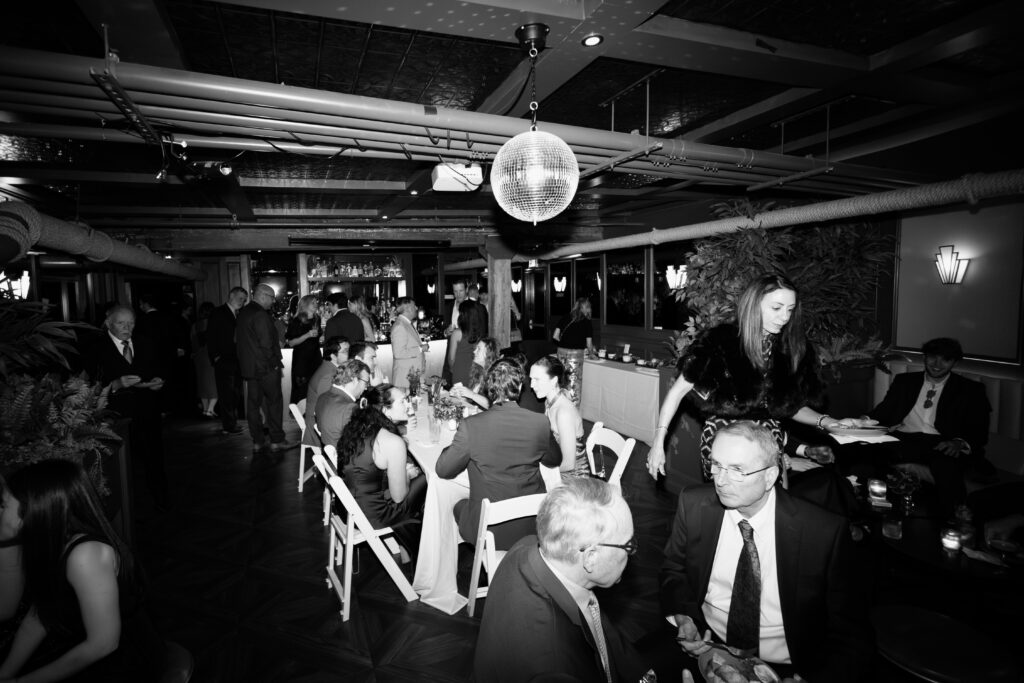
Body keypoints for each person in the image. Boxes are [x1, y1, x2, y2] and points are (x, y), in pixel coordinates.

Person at [661, 422, 873, 682]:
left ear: (770, 476)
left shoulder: (823, 532)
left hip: (790, 666)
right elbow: (674, 570)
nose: (720, 480)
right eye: (716, 465)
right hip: (708, 644)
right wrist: (685, 617)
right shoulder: (693, 504)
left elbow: (851, 634)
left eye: (737, 470)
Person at [646, 274, 860, 481]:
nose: (785, 317)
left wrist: (830, 422)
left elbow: (789, 406)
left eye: (790, 309)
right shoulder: (720, 341)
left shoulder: (789, 350)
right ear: (754, 305)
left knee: (775, 504)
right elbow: (678, 391)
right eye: (776, 308)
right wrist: (658, 442)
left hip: (770, 443)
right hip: (726, 442)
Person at [0, 460, 163, 682]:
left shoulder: (85, 556)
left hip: (126, 661)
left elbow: (103, 644)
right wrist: (6, 673)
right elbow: (40, 615)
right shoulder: (49, 543)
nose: (0, 510)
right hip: (81, 644)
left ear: (31, 511)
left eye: (3, 505)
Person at [474, 478, 648, 683]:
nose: (632, 553)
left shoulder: (525, 548)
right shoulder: (555, 668)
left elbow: (599, 628)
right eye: (628, 546)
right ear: (590, 558)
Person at [851, 337, 991, 514]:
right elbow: (884, 411)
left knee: (946, 466)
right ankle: (864, 508)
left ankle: (953, 517)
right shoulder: (905, 381)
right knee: (862, 450)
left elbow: (979, 429)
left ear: (954, 363)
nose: (937, 364)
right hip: (905, 438)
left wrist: (959, 443)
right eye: (932, 357)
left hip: (942, 442)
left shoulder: (970, 389)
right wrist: (862, 421)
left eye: (945, 359)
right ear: (924, 357)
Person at [436, 358, 560, 549]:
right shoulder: (540, 422)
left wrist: (453, 446)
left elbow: (443, 470)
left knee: (455, 503)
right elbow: (554, 459)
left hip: (489, 531)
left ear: (489, 388)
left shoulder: (471, 426)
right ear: (520, 387)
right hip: (532, 524)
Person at [83, 304, 169, 507]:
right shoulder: (95, 348)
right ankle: (126, 507)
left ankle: (161, 500)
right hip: (116, 418)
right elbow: (88, 386)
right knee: (122, 465)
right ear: (108, 323)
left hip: (148, 412)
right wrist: (115, 384)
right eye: (121, 323)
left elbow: (160, 368)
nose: (127, 328)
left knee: (154, 459)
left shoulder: (145, 342)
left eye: (131, 323)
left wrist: (158, 381)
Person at [339, 384, 427, 550]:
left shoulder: (358, 426)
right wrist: (407, 476)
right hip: (373, 516)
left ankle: (409, 544)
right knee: (428, 478)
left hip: (348, 508)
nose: (409, 406)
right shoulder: (392, 441)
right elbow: (399, 497)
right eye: (403, 402)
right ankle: (422, 548)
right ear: (385, 411)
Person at [236, 283, 295, 454]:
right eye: (271, 298)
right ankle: (277, 440)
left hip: (250, 369)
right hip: (266, 368)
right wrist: (274, 363)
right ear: (262, 296)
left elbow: (238, 341)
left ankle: (258, 441)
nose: (273, 301)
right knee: (274, 403)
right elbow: (267, 343)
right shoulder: (260, 314)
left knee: (253, 405)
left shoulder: (243, 313)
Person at [529, 355, 591, 478]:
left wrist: (537, 471)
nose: (531, 385)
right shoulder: (549, 401)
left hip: (574, 478)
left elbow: (569, 464)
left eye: (537, 379)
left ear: (553, 381)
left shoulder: (563, 413)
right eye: (531, 379)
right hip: (557, 465)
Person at [207, 286, 247, 435]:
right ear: (231, 296)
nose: (242, 301)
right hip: (224, 360)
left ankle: (232, 422)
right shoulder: (218, 312)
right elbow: (211, 335)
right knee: (226, 394)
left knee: (235, 393)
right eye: (240, 298)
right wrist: (216, 357)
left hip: (237, 360)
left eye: (244, 299)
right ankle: (229, 425)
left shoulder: (240, 314)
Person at [314, 359, 370, 452]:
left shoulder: (322, 397)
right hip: (346, 455)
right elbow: (361, 442)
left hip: (330, 453)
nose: (366, 388)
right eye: (366, 383)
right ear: (354, 380)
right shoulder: (349, 408)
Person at [303, 336, 349, 448]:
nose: (349, 354)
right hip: (319, 427)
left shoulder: (330, 368)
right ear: (333, 356)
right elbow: (327, 408)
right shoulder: (328, 375)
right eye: (345, 351)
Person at [552, 297, 596, 406]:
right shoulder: (586, 322)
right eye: (589, 307)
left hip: (561, 352)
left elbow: (555, 336)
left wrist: (565, 343)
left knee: (562, 381)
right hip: (575, 355)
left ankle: (559, 407)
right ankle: (573, 410)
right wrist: (591, 354)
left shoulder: (566, 317)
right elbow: (589, 344)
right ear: (586, 308)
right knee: (574, 384)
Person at [284, 294, 322, 406]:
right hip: (302, 360)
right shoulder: (296, 321)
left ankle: (312, 412)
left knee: (315, 388)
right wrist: (307, 335)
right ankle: (299, 413)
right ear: (305, 304)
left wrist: (321, 337)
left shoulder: (317, 319)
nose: (316, 304)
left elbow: (316, 337)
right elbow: (291, 342)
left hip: (315, 358)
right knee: (301, 391)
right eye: (313, 302)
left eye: (316, 302)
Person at [450, 337, 499, 410]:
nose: (474, 351)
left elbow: (494, 406)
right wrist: (459, 394)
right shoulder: (478, 371)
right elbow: (471, 401)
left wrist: (471, 394)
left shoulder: (495, 375)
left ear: (488, 353)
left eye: (478, 349)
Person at [448, 299, 487, 387]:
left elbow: (451, 359)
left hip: (459, 371)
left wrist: (452, 369)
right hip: (474, 372)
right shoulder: (479, 334)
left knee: (459, 395)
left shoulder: (457, 333)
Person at [390, 297, 426, 390]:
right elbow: (399, 353)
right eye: (414, 306)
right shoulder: (400, 326)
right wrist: (420, 349)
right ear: (408, 308)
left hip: (411, 378)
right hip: (404, 380)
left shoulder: (406, 323)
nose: (416, 308)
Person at [191, 301, 219, 418]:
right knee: (213, 383)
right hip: (210, 355)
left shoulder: (195, 325)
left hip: (198, 356)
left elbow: (193, 342)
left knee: (202, 384)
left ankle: (206, 409)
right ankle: (210, 409)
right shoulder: (214, 323)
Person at [442, 278, 469, 384]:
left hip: (468, 351)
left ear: (466, 290)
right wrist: (446, 332)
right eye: (455, 291)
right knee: (449, 381)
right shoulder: (448, 307)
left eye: (461, 291)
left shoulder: (475, 307)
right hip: (451, 349)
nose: (458, 294)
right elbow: (444, 330)